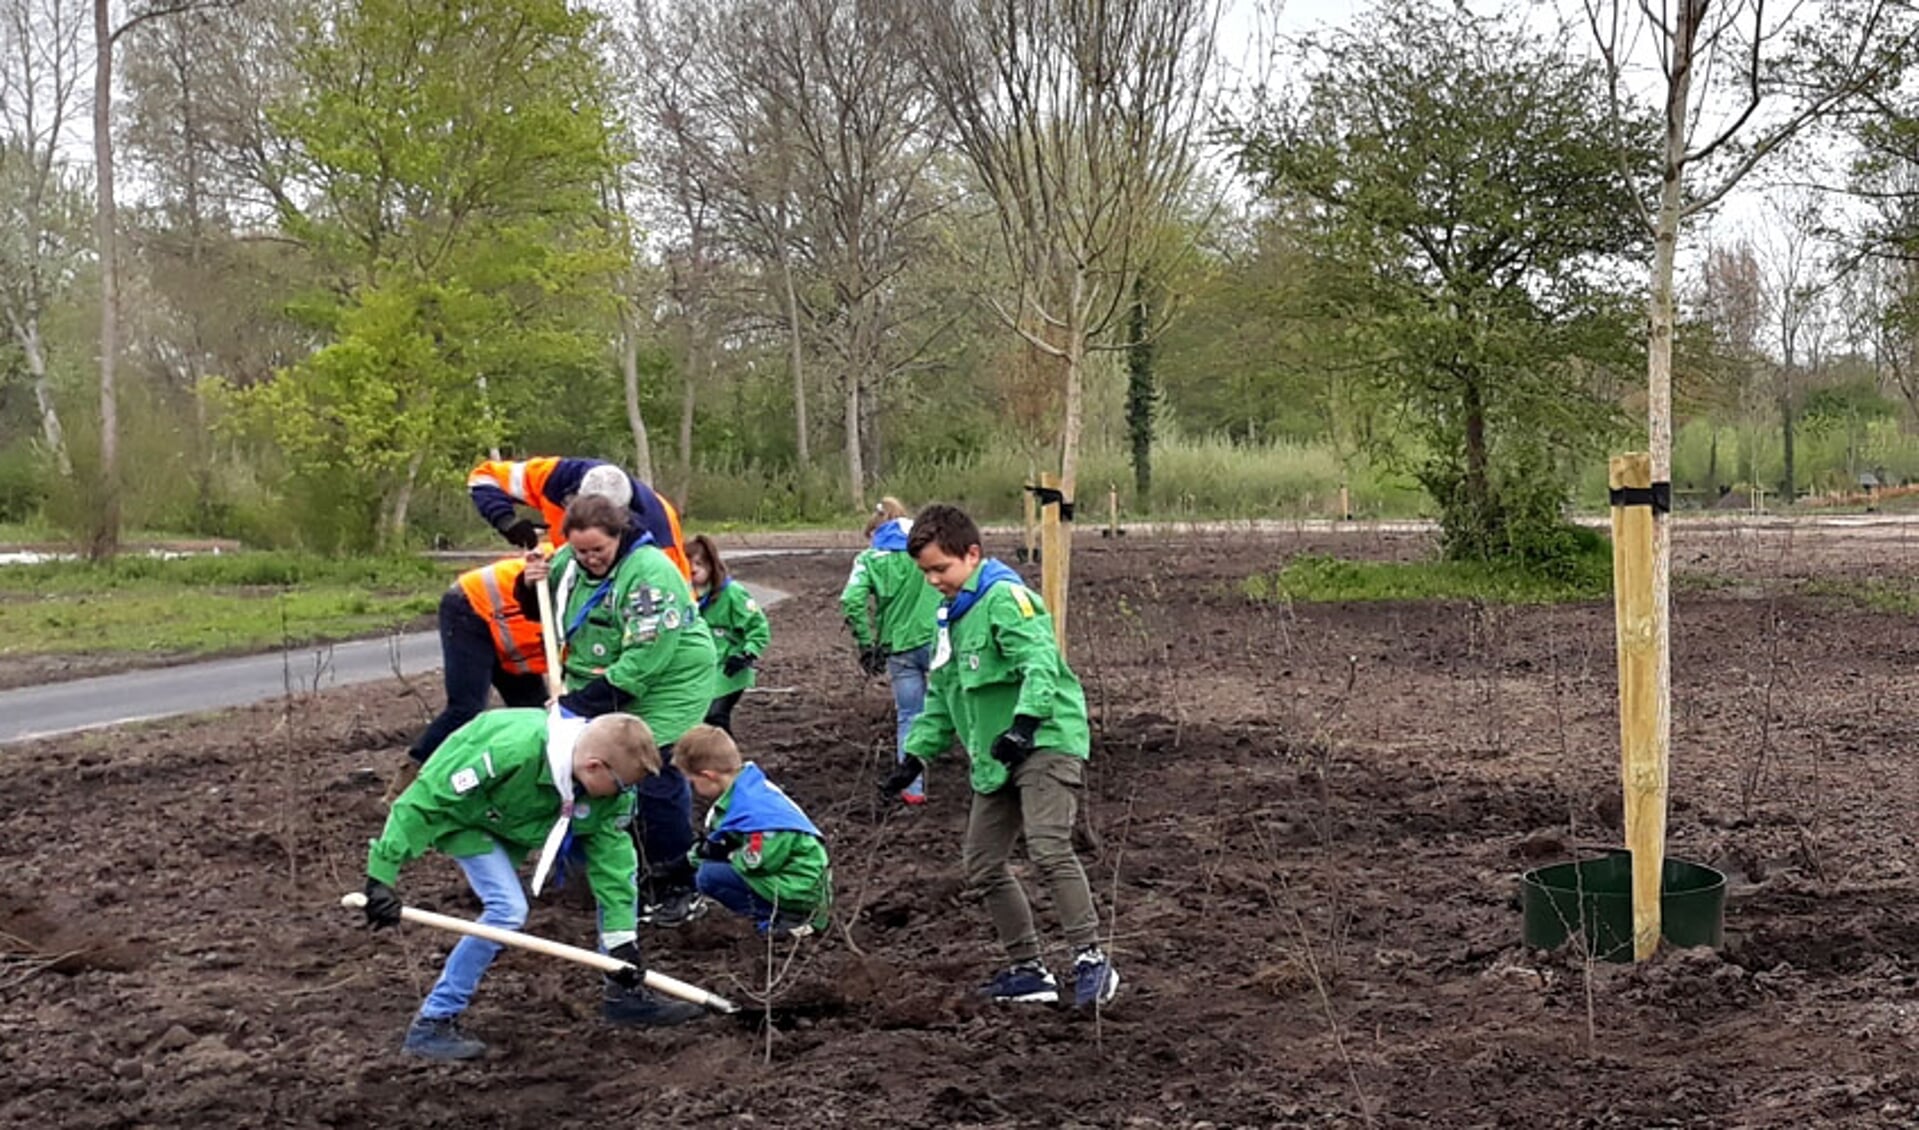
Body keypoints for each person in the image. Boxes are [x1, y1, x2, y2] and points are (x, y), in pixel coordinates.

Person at [880, 503, 1119, 1010]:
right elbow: (944, 695)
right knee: (982, 863)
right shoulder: (949, 618)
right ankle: (1029, 970)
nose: (932, 581)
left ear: (972, 554)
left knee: (1048, 846)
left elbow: (1040, 665)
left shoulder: (1007, 600)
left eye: (940, 569)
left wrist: (1025, 725)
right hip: (995, 756)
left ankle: (1092, 960)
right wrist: (914, 757)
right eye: (925, 572)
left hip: (1045, 740)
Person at [361, 710, 704, 1060]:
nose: (626, 794)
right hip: (466, 819)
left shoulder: (609, 794)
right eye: (623, 785)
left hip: (518, 819)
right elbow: (422, 802)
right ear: (594, 767)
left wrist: (622, 945)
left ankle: (623, 995)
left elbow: (614, 869)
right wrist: (382, 877)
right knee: (508, 909)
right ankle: (432, 1023)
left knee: (617, 879)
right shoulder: (510, 751)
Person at [518, 493, 716, 927]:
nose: (589, 559)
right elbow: (543, 610)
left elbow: (641, 663)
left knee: (649, 770)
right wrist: (529, 580)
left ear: (619, 536)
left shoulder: (650, 575)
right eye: (581, 550)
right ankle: (600, 871)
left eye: (598, 551)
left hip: (669, 681)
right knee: (595, 769)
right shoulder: (569, 562)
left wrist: (576, 705)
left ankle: (676, 883)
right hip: (602, 676)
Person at [385, 555, 550, 804]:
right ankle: (402, 790)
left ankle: (530, 793)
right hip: (471, 606)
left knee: (537, 717)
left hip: (511, 632)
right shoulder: (572, 561)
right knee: (466, 708)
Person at [678, 725, 831, 939]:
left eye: (692, 782)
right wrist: (686, 862)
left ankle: (792, 918)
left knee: (709, 877)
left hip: (801, 887)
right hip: (790, 879)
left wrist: (728, 854)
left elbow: (758, 861)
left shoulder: (756, 810)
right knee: (708, 868)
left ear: (708, 775)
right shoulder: (746, 789)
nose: (693, 788)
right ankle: (780, 915)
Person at [840, 497, 944, 804]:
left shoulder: (870, 560)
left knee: (910, 715)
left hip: (898, 648)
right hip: (939, 642)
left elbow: (850, 600)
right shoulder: (925, 551)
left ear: (875, 531)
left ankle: (912, 789)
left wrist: (865, 642)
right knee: (956, 707)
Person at [469, 455, 691, 579]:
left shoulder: (660, 535)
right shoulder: (556, 478)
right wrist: (507, 522)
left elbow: (680, 608)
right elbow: (484, 478)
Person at [688, 534, 770, 734]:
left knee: (715, 716)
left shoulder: (732, 593)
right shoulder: (685, 595)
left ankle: (729, 763)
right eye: (688, 563)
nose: (693, 569)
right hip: (702, 669)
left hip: (729, 668)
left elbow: (759, 627)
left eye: (699, 564)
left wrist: (747, 653)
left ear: (711, 565)